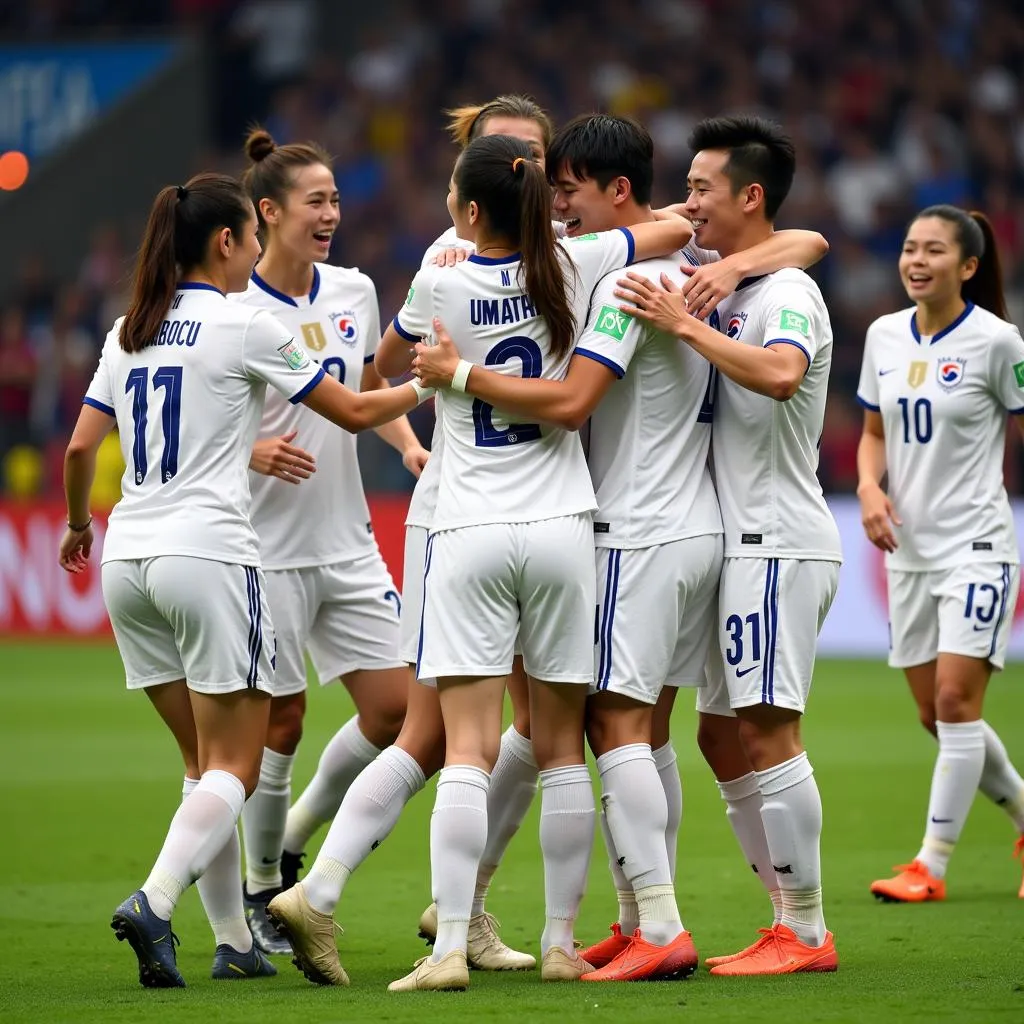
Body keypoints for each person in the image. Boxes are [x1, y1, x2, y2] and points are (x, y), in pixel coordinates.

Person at [412, 113, 830, 982]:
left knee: (616, 725)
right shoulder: (685, 270)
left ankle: (664, 924)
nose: (556, 206)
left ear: (620, 193)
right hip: (696, 526)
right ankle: (640, 912)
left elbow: (570, 401)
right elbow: (800, 237)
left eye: (569, 189)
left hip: (638, 528)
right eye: (548, 189)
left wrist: (455, 372)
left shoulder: (632, 282)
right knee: (648, 729)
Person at [271, 132, 693, 992]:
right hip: (566, 525)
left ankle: (450, 947)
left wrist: (447, 369)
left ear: (466, 209)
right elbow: (672, 230)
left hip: (465, 528)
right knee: (561, 748)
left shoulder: (438, 279)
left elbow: (386, 372)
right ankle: (564, 943)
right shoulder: (582, 266)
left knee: (463, 749)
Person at [59, 172, 433, 988]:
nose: (260, 252)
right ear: (228, 241)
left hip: (127, 560)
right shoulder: (244, 324)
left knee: (204, 767)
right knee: (236, 764)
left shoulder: (130, 328)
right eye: (253, 239)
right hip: (213, 558)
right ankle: (156, 902)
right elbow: (358, 410)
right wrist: (438, 378)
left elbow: (80, 452)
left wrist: (80, 524)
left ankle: (234, 940)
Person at [259, 98, 553, 989]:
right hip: (466, 519)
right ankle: (325, 881)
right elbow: (382, 370)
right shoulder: (455, 259)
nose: (535, 167)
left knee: (520, 731)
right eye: (516, 153)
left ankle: (449, 905)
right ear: (477, 168)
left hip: (515, 517)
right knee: (441, 733)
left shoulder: (547, 254)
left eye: (543, 152)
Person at [617, 115, 841, 976]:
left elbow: (781, 377)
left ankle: (808, 932)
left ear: (750, 196)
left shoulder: (785, 296)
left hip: (777, 538)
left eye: (704, 186)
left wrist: (687, 326)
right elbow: (805, 237)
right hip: (733, 540)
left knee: (769, 727)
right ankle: (785, 913)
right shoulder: (740, 277)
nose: (690, 200)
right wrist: (724, 276)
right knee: (720, 736)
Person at [232, 128, 429, 955]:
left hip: (346, 541)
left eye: (337, 199)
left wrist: (411, 445)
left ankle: (293, 836)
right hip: (262, 546)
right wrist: (246, 450)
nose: (332, 214)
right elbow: (172, 424)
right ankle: (258, 890)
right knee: (279, 721)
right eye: (316, 201)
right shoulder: (230, 309)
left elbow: (365, 391)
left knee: (395, 711)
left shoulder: (352, 290)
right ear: (268, 212)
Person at [856, 204, 1024, 902]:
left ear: (969, 267)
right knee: (935, 715)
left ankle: (931, 864)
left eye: (933, 251)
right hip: (909, 553)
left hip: (979, 545)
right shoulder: (884, 335)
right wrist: (868, 488)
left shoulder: (998, 342)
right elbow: (872, 432)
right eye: (909, 248)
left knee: (957, 700)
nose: (916, 261)